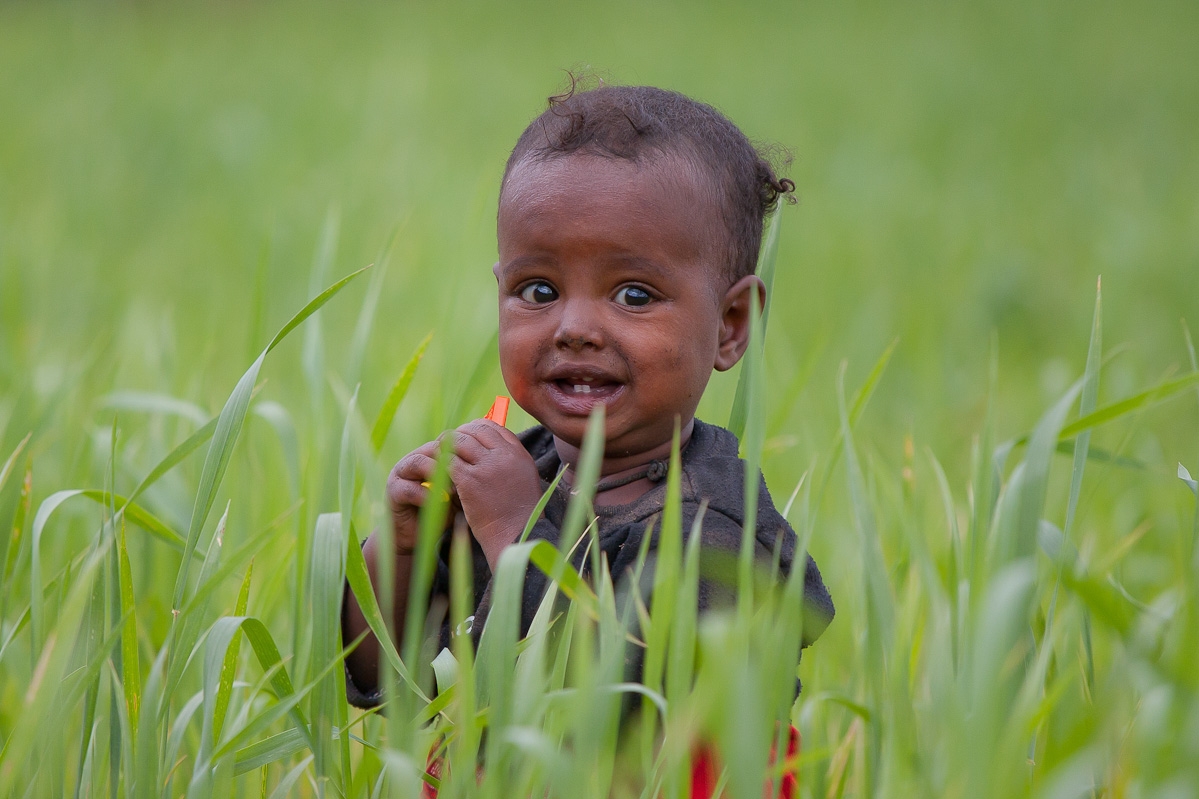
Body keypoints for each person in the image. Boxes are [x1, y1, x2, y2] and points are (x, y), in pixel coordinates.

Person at [341, 81, 834, 714]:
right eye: (539, 291)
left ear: (731, 323)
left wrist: (521, 538)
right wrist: (402, 544)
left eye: (633, 295)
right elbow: (385, 680)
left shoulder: (718, 535)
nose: (574, 328)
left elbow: (623, 715)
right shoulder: (514, 479)